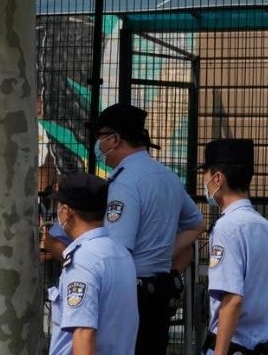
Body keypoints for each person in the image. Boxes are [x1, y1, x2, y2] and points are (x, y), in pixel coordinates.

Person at [87, 102, 205, 355]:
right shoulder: (167, 176)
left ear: (115, 139)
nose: (98, 145)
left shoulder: (125, 182)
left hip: (129, 294)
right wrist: (162, 253)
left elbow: (117, 249)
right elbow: (196, 223)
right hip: (159, 291)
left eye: (100, 137)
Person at [200, 138, 268, 355]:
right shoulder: (265, 227)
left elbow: (232, 299)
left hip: (233, 346)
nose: (204, 180)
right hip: (262, 345)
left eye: (206, 173)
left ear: (217, 179)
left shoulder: (226, 228)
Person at [49, 171, 138, 355]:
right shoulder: (121, 253)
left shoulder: (82, 260)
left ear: (66, 212)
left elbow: (84, 333)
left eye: (59, 206)